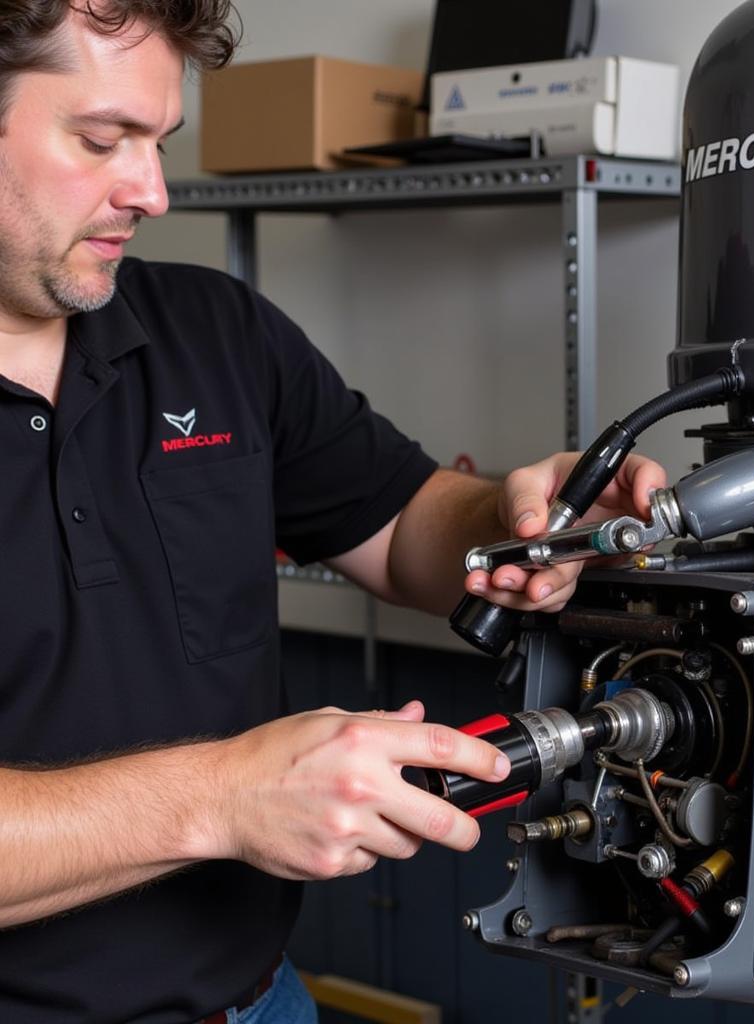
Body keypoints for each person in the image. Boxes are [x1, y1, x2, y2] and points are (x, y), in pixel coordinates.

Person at [0, 1, 666, 1021]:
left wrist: (519, 517)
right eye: (101, 140)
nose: (152, 192)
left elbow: (403, 527)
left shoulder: (214, 331)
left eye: (158, 143)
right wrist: (222, 798)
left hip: (258, 1001)